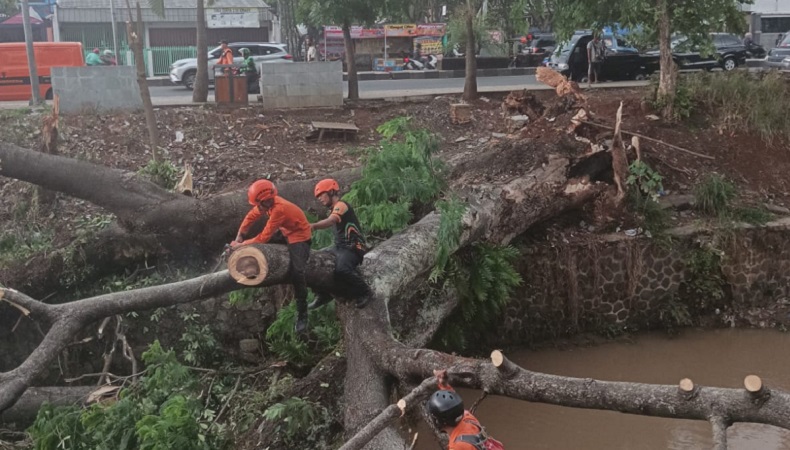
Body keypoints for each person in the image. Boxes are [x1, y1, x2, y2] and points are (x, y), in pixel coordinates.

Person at [232, 180, 312, 333]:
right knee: (262, 246)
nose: (258, 208)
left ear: (267, 200)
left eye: (259, 204)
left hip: (299, 236)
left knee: (297, 273)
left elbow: (263, 237)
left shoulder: (278, 209)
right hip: (285, 232)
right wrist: (239, 237)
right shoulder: (266, 205)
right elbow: (250, 217)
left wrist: (241, 246)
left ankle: (303, 314)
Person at [308, 179, 374, 310]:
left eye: (322, 194)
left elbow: (331, 220)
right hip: (339, 247)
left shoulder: (341, 205)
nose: (320, 199)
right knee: (311, 260)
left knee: (341, 270)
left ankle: (366, 292)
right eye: (318, 196)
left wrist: (313, 226)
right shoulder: (334, 208)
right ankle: (323, 294)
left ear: (331, 192)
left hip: (354, 248)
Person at [427, 369, 504, 450]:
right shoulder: (467, 418)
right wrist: (444, 384)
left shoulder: (458, 447)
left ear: (438, 420)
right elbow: (452, 405)